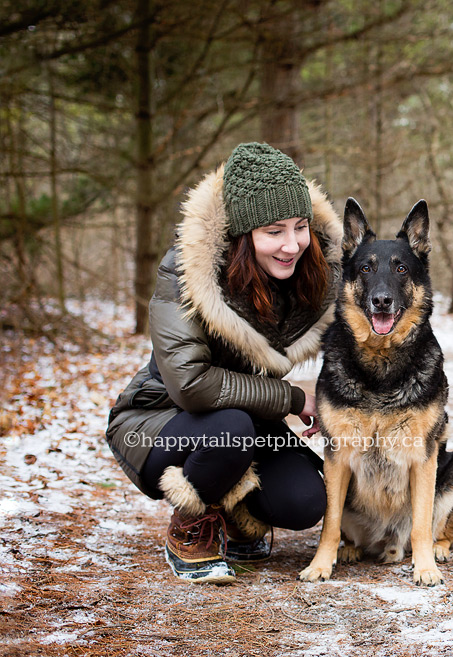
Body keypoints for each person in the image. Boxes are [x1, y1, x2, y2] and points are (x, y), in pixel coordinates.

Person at [105, 142, 342, 584]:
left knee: (304, 501)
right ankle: (192, 526)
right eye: (274, 231)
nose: (292, 244)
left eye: (300, 227)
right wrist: (292, 398)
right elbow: (190, 384)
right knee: (230, 427)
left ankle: (235, 515)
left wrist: (334, 403)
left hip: (248, 418)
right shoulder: (186, 275)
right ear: (241, 234)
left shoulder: (308, 272)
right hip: (162, 421)